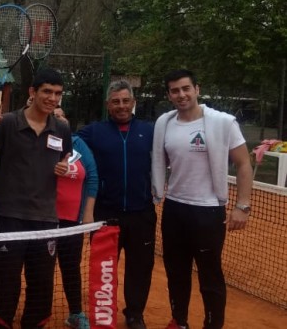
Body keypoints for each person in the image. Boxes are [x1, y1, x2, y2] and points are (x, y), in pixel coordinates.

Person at [0, 68, 72, 329]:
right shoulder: (9, 122)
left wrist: (64, 165)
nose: (52, 98)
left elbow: (65, 156)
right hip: (10, 221)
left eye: (57, 93)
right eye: (46, 91)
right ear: (33, 93)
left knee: (41, 289)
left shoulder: (62, 128)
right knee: (6, 289)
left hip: (46, 221)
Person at [151, 69, 252, 329]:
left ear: (197, 89)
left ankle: (212, 325)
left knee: (210, 275)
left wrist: (242, 206)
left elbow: (243, 164)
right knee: (176, 272)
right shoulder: (165, 123)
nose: (181, 94)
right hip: (174, 208)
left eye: (186, 88)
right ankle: (180, 321)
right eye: (175, 90)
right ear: (169, 95)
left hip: (208, 212)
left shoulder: (223, 122)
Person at [76, 80, 155, 329]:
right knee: (104, 267)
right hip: (106, 213)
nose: (121, 106)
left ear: (133, 102)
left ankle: (134, 314)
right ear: (107, 105)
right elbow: (66, 139)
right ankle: (103, 313)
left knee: (140, 267)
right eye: (116, 101)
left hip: (142, 212)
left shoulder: (150, 130)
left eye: (125, 101)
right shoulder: (94, 132)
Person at [53, 107, 98, 329]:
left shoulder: (79, 143)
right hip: (44, 220)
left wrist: (88, 214)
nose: (58, 119)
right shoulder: (40, 142)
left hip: (72, 221)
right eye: (53, 116)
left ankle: (75, 313)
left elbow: (92, 177)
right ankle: (38, 312)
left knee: (71, 267)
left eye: (61, 115)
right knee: (40, 269)